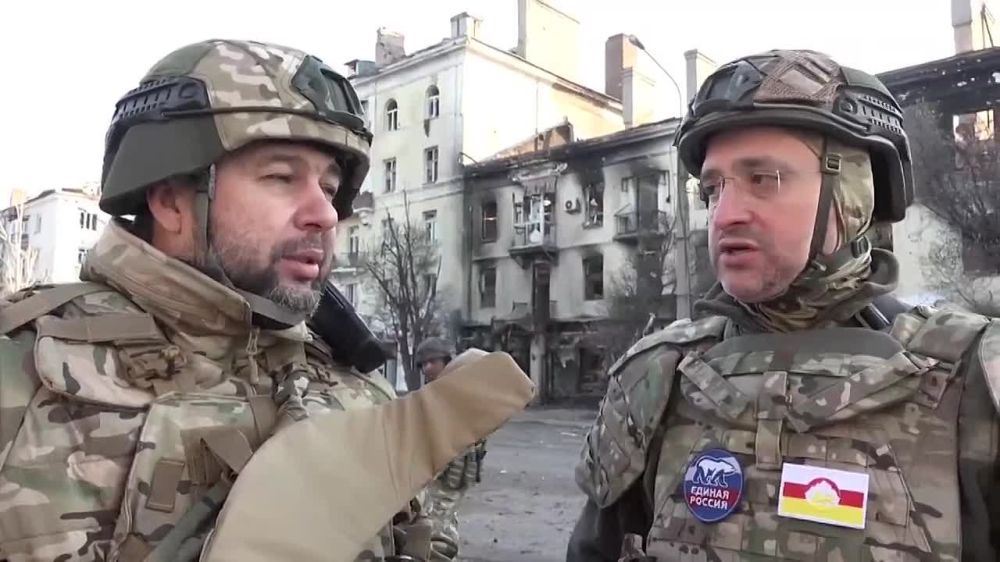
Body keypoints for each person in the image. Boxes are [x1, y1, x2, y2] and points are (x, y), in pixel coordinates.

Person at [0, 39, 456, 561]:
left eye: (330, 189)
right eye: (281, 178)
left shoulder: (359, 391)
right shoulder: (22, 371)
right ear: (171, 200)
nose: (326, 215)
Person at [568, 49, 1000, 561]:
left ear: (851, 197)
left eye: (764, 179)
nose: (725, 215)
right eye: (713, 188)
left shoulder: (976, 379)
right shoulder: (656, 377)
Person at [414, 338, 489, 560]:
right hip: (438, 473)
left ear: (448, 361)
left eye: (432, 362)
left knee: (437, 528)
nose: (427, 368)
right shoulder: (434, 391)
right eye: (423, 364)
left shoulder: (463, 389)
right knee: (442, 523)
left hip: (450, 474)